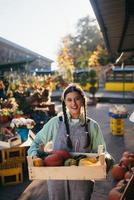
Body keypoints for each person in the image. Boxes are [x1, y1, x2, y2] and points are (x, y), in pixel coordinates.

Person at [28, 83, 107, 200]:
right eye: (69, 100)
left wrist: (107, 161)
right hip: (56, 181)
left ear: (83, 100)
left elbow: (102, 152)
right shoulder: (55, 122)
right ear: (64, 102)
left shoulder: (92, 126)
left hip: (82, 182)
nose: (73, 103)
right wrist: (34, 156)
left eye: (77, 99)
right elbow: (35, 142)